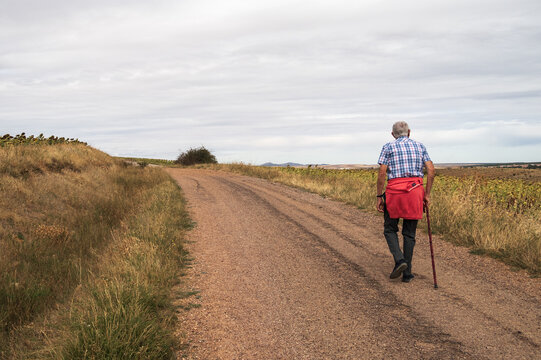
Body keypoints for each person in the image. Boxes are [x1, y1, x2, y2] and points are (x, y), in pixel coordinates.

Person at [376, 121, 435, 282]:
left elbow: (382, 173)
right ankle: (407, 273)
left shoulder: (388, 147)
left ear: (393, 134)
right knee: (409, 233)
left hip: (394, 192)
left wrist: (379, 196)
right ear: (409, 132)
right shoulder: (420, 146)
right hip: (415, 192)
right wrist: (427, 194)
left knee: (390, 229)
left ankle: (399, 260)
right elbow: (431, 171)